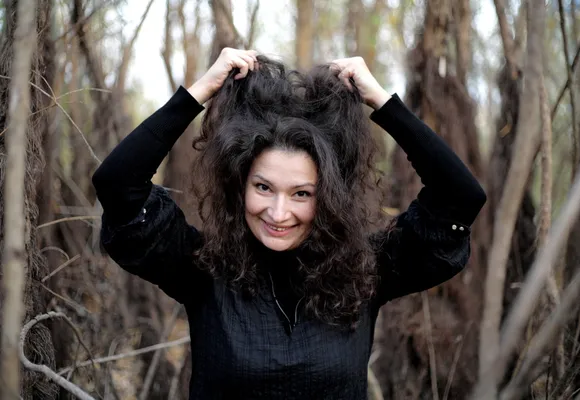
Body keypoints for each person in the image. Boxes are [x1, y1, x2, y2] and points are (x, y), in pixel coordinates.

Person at [92, 48, 486, 399]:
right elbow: (118, 184)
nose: (279, 213)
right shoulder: (201, 269)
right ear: (239, 185)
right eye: (264, 187)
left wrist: (382, 102)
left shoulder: (367, 270)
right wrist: (199, 92)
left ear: (328, 198)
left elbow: (460, 198)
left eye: (302, 194)